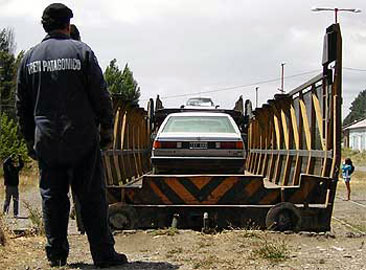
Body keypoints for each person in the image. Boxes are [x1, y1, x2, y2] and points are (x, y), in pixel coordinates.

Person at [16, 3, 127, 268]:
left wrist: (30, 139)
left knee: (52, 197)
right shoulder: (82, 52)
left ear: (44, 25)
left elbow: (22, 105)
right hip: (81, 138)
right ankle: (103, 254)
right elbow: (101, 95)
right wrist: (107, 129)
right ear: (68, 24)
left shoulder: (29, 58)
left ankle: (56, 254)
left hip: (47, 138)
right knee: (90, 196)